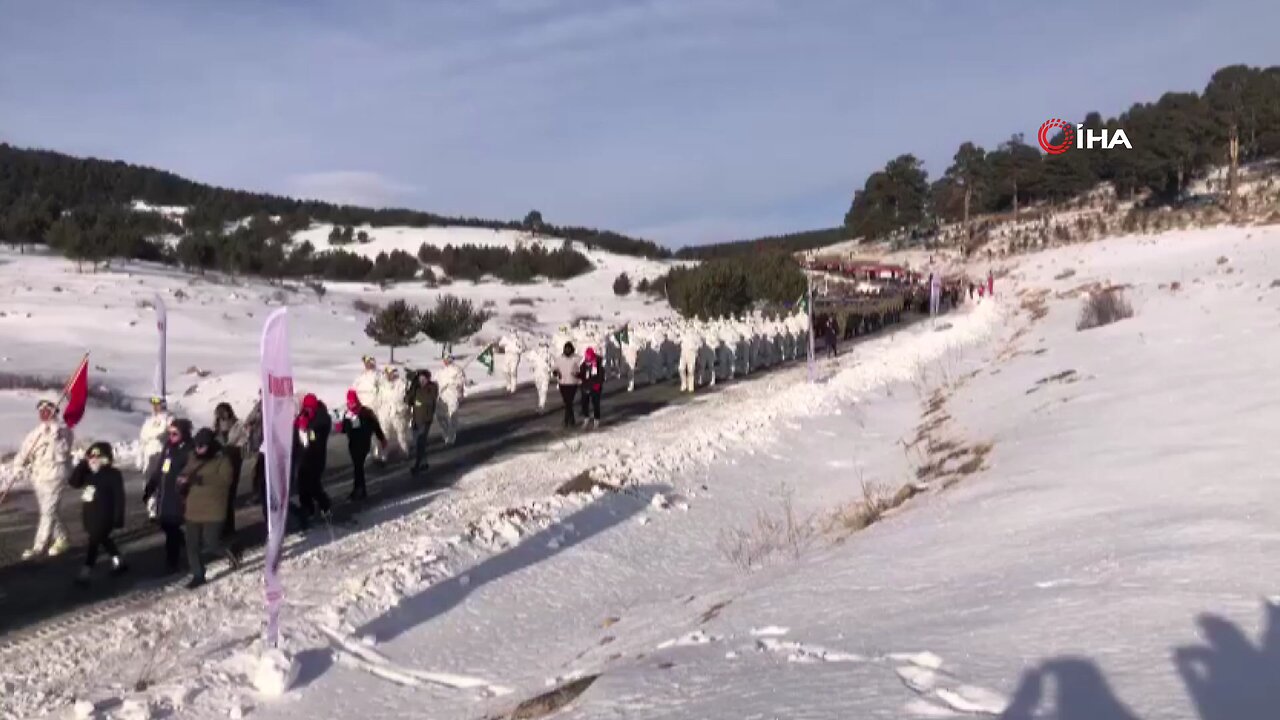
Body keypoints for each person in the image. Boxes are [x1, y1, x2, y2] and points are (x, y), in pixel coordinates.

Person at [179, 428, 241, 589]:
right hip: (193, 508)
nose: (198, 449)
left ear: (211, 445)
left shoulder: (222, 460)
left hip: (214, 508)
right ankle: (198, 575)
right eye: (196, 445)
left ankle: (231, 550)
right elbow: (186, 472)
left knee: (212, 542)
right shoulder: (192, 457)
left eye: (202, 446)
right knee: (191, 545)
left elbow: (226, 480)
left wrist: (201, 479)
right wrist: (181, 481)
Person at [13, 399, 73, 559]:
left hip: (56, 476)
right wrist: (18, 466)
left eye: (48, 409)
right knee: (50, 512)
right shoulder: (35, 434)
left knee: (48, 512)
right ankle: (62, 538)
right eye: (41, 410)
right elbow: (23, 453)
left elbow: (64, 450)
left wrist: (54, 434)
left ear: (55, 411)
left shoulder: (64, 431)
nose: (44, 413)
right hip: (39, 479)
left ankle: (38, 547)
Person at [67, 442, 128, 583]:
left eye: (97, 456)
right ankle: (119, 561)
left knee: (94, 542)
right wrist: (82, 464)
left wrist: (118, 518)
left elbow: (120, 497)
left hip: (105, 515)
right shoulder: (88, 474)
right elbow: (73, 482)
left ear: (106, 458)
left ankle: (86, 571)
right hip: (90, 515)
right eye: (91, 456)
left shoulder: (113, 474)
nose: (93, 459)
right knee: (103, 539)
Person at [143, 418, 193, 574]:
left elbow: (192, 471)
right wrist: (150, 487)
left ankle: (172, 563)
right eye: (169, 433)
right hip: (164, 495)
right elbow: (159, 469)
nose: (171, 436)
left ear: (183, 433)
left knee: (171, 529)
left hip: (178, 495)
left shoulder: (188, 450)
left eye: (175, 434)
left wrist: (185, 485)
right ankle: (189, 545)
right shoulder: (168, 447)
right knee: (166, 525)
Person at [336, 390, 386, 501]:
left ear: (357, 400)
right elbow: (345, 429)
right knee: (357, 467)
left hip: (363, 444)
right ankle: (359, 489)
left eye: (353, 402)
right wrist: (341, 428)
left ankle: (360, 490)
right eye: (349, 402)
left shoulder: (366, 413)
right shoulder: (347, 414)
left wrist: (382, 438)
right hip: (352, 444)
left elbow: (376, 426)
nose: (351, 405)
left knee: (358, 467)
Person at [293, 393, 332, 523]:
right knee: (302, 485)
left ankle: (325, 505)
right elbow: (296, 430)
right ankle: (307, 508)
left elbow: (321, 424)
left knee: (314, 485)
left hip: (316, 457)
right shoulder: (303, 416)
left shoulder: (322, 417)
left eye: (310, 408)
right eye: (306, 408)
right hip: (303, 458)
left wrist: (307, 425)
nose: (308, 410)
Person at [212, 402, 243, 545]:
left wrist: (229, 448)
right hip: (219, 466)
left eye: (224, 414)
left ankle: (229, 530)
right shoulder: (216, 429)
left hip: (233, 463)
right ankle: (222, 528)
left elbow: (241, 443)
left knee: (228, 498)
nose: (222, 417)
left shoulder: (237, 425)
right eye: (220, 414)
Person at [353, 355, 385, 461]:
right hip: (363, 408)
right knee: (364, 433)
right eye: (366, 363)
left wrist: (380, 404)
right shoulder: (360, 377)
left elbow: (384, 390)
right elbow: (354, 390)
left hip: (376, 407)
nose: (368, 365)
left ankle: (378, 452)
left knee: (377, 431)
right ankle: (368, 451)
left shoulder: (379, 375)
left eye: (370, 363)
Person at [409, 369, 439, 477]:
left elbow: (430, 400)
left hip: (426, 418)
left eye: (424, 378)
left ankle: (418, 465)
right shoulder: (416, 387)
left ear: (428, 378)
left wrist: (419, 399)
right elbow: (408, 400)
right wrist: (413, 386)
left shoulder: (432, 387)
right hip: (415, 418)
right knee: (417, 441)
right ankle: (424, 463)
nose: (422, 380)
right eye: (420, 378)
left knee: (420, 442)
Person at [435, 355, 466, 446]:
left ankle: (451, 436)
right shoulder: (440, 371)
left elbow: (461, 382)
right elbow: (435, 382)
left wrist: (452, 382)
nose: (446, 361)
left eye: (448, 359)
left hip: (453, 395)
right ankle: (445, 432)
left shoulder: (457, 370)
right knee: (440, 416)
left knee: (452, 415)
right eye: (445, 359)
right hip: (441, 396)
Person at [137, 397, 173, 475]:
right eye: (154, 405)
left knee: (164, 479)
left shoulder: (169, 419)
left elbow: (165, 434)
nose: (155, 407)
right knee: (149, 483)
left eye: (158, 405)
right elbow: (142, 440)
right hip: (149, 459)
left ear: (163, 405)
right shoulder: (149, 421)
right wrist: (140, 459)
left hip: (163, 456)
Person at [553, 342, 581, 428]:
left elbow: (582, 368)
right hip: (563, 383)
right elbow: (555, 367)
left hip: (573, 383)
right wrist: (556, 372)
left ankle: (567, 421)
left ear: (572, 349)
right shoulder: (559, 358)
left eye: (569, 349)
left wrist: (578, 374)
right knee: (567, 402)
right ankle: (571, 420)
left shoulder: (577, 358)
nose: (567, 350)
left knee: (569, 402)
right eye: (566, 349)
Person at [578, 347, 604, 429]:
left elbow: (601, 376)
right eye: (586, 356)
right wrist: (577, 375)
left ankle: (596, 420)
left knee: (595, 404)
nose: (588, 358)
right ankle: (586, 418)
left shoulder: (598, 364)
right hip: (585, 387)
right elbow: (582, 375)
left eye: (589, 356)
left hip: (595, 388)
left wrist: (598, 384)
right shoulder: (583, 364)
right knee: (584, 404)